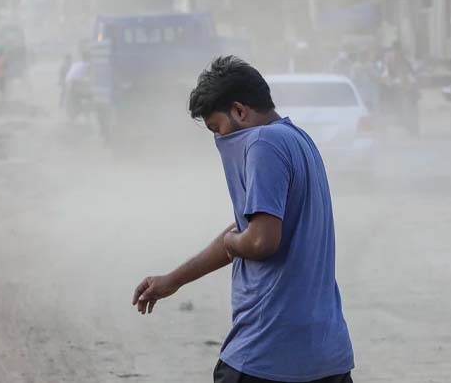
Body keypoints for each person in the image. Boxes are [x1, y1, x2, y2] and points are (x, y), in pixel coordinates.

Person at [132, 56, 354, 383]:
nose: (219, 140)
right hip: (325, 356)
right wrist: (172, 280)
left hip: (267, 353)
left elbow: (260, 240)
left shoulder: (264, 142)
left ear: (239, 111)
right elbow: (247, 230)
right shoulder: (299, 140)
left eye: (216, 128)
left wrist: (232, 242)